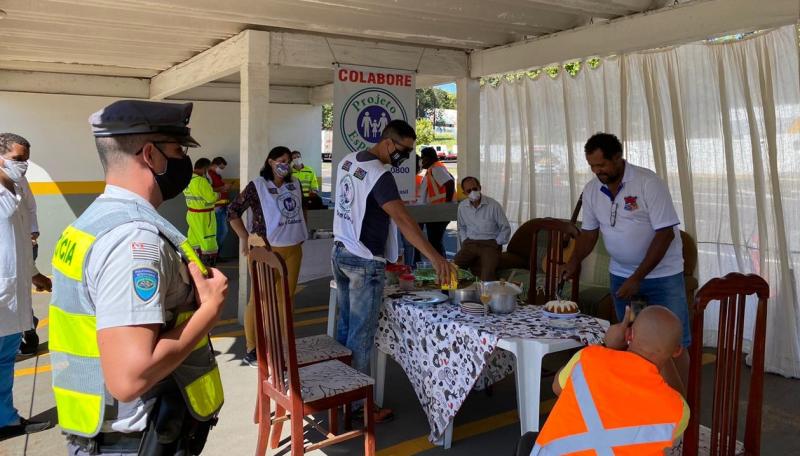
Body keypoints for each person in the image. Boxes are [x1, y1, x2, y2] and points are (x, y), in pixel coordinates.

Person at [50, 100, 227, 454]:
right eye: (177, 150)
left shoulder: (92, 222)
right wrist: (210, 308)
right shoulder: (134, 240)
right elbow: (129, 378)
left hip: (110, 434)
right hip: (135, 439)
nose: (183, 162)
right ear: (151, 155)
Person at [333, 120, 453, 423]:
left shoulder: (349, 160)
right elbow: (402, 219)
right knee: (360, 337)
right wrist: (437, 258)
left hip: (341, 253)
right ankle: (359, 407)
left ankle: (342, 395)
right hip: (363, 261)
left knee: (346, 330)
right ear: (389, 143)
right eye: (404, 150)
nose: (407, 157)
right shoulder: (379, 173)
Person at [563, 132, 691, 387]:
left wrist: (638, 277)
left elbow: (664, 234)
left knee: (672, 344)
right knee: (632, 339)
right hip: (623, 278)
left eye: (602, 165)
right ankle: (640, 397)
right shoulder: (592, 191)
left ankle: (680, 404)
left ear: (618, 158)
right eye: (592, 166)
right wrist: (575, 260)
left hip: (661, 279)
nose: (597, 171)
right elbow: (589, 233)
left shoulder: (647, 183)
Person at [519, 305, 689, 455]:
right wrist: (666, 351)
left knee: (529, 441)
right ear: (677, 351)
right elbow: (678, 403)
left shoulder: (588, 358)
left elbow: (557, 387)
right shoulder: (677, 410)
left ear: (629, 334)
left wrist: (605, 345)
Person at [228, 146, 308, 368]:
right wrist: (244, 237)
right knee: (259, 300)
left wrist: (302, 232)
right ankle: (252, 349)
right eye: (281, 160)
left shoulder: (295, 184)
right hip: (265, 250)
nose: (285, 164)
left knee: (286, 299)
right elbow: (232, 211)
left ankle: (282, 345)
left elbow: (301, 210)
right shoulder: (258, 185)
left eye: (288, 161)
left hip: (293, 249)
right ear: (270, 162)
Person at [0, 133, 51, 439]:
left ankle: (5, 420)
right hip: (2, 294)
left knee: (5, 361)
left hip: (14, 288)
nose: (24, 165)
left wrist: (34, 273)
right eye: (18, 159)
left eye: (25, 159)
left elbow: (19, 240)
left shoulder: (17, 187)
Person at [453, 177, 511, 280]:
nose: (473, 192)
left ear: (480, 188)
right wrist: (465, 240)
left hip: (489, 244)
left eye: (475, 189)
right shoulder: (462, 207)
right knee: (454, 266)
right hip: (470, 243)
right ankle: (454, 293)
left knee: (487, 271)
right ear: (464, 193)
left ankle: (485, 295)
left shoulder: (493, 205)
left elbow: (505, 228)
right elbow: (461, 227)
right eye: (469, 191)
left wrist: (497, 242)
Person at [18, 173, 51, 355]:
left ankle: (28, 333)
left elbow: (30, 207)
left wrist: (32, 234)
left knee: (19, 295)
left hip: (21, 249)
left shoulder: (16, 180)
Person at [419, 146, 454, 256]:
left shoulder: (436, 169)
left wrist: (447, 204)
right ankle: (441, 265)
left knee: (435, 242)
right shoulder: (432, 169)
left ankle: (441, 266)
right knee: (434, 242)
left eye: (423, 158)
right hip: (434, 211)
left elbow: (449, 183)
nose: (421, 161)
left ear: (429, 158)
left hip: (438, 211)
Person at [184, 157, 220, 266]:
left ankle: (195, 269)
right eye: (208, 169)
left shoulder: (187, 179)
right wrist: (217, 194)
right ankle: (209, 270)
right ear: (204, 168)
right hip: (204, 217)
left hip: (191, 215)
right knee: (208, 241)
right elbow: (211, 198)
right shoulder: (201, 181)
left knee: (194, 241)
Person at [398, 154, 424, 267]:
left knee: (405, 245)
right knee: (410, 244)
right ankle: (409, 269)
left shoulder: (399, 178)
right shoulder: (419, 179)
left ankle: (406, 269)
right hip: (411, 215)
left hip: (400, 214)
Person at [208, 157, 231, 249]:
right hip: (216, 207)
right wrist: (223, 188)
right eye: (220, 168)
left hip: (222, 206)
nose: (221, 170)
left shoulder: (216, 175)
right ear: (214, 165)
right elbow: (209, 190)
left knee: (221, 231)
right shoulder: (208, 175)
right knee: (221, 232)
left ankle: (216, 254)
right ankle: (215, 254)